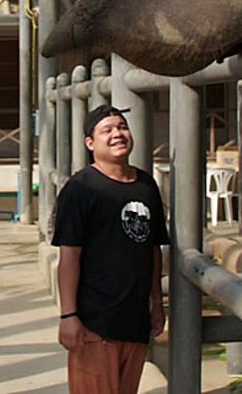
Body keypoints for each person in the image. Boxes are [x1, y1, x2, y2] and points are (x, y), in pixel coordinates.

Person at [51, 104, 170, 394]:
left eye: (122, 127)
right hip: (95, 324)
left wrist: (157, 305)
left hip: (135, 322)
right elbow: (69, 257)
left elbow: (153, 249)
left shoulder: (146, 185)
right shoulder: (80, 189)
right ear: (90, 143)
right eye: (107, 130)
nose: (118, 134)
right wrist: (69, 316)